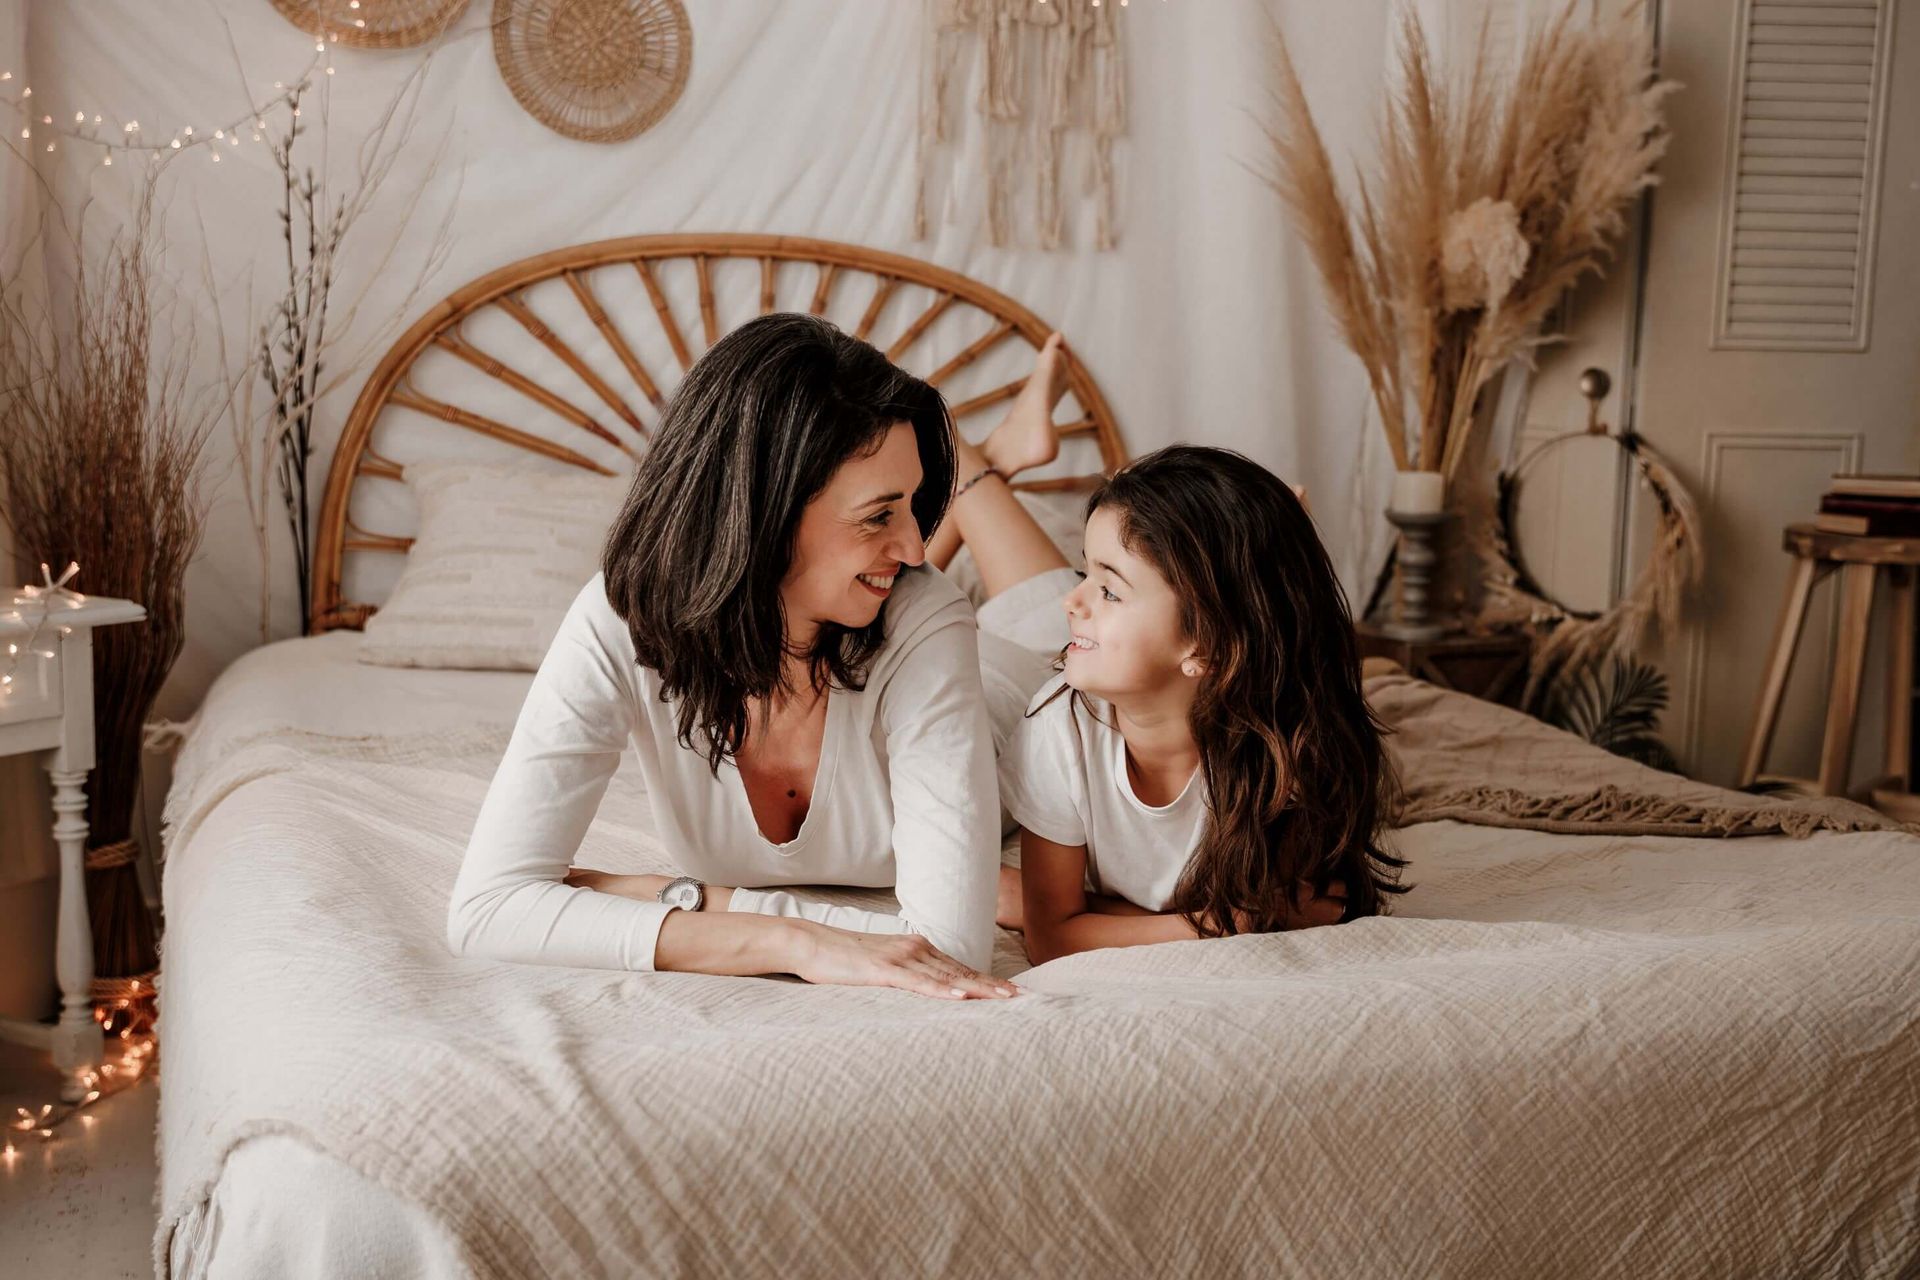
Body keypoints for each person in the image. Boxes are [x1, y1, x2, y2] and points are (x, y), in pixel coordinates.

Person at [448, 313, 1018, 1000]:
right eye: (878, 515)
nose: (916, 547)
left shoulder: (928, 620)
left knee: (1044, 600)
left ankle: (990, 467)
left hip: (1027, 681)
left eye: (911, 507)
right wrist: (795, 942)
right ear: (765, 510)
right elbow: (486, 911)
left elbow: (947, 952)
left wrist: (676, 900)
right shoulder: (618, 620)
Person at [931, 336, 1406, 964]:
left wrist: (1097, 915)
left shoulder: (1292, 751)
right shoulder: (1056, 726)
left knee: (1044, 607)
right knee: (889, 609)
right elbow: (1058, 936)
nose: (1077, 599)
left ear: (1209, 644)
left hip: (1094, 657)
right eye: (1087, 574)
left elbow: (1305, 906)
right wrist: (1220, 922)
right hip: (1014, 672)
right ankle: (973, 452)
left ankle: (989, 457)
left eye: (1107, 586)